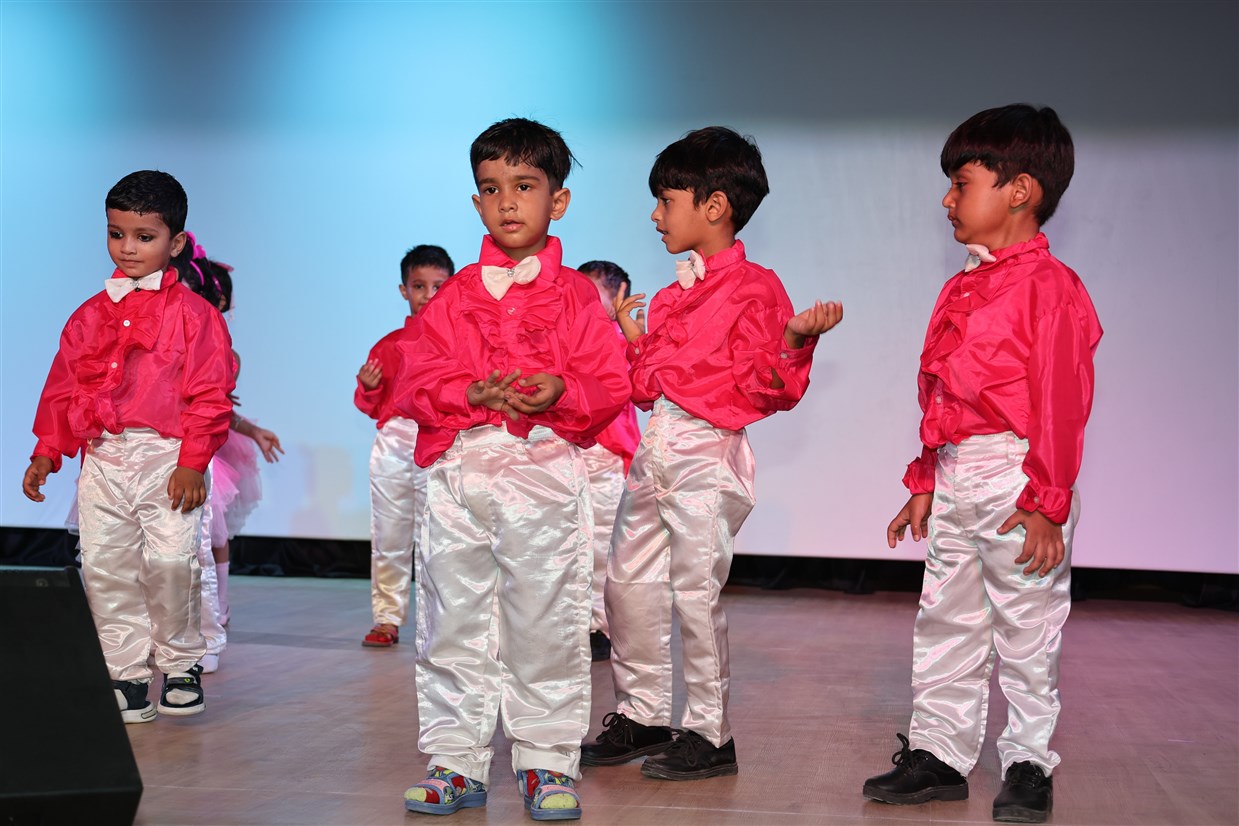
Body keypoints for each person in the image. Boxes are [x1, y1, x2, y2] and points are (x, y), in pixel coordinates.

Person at [860, 104, 1101, 825]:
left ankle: (1028, 762)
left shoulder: (1050, 287)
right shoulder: (961, 285)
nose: (946, 200)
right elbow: (938, 392)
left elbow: (1060, 400)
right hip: (958, 469)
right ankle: (938, 752)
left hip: (1017, 472)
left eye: (960, 183)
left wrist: (1046, 499)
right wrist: (925, 480)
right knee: (946, 619)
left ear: (1019, 190)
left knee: (1027, 625)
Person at [581, 126, 843, 780]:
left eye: (666, 201)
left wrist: (792, 342)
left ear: (714, 205)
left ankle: (709, 732)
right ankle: (642, 714)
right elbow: (648, 388)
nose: (655, 215)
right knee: (625, 582)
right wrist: (635, 342)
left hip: (706, 450)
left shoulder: (756, 287)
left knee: (694, 593)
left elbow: (769, 390)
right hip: (657, 447)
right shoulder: (672, 295)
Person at [393, 118, 629, 821]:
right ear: (476, 203)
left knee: (545, 619)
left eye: (524, 186)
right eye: (492, 189)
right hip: (461, 468)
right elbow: (415, 381)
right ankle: (456, 760)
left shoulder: (578, 296)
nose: (507, 203)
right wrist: (469, 392)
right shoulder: (455, 295)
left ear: (558, 200)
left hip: (543, 469)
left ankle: (546, 758)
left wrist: (562, 389)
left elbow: (609, 384)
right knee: (451, 619)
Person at [22, 170, 235, 721]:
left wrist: (193, 461)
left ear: (176, 242)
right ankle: (126, 674)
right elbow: (64, 386)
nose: (128, 247)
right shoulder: (89, 315)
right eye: (117, 234)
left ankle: (181, 664)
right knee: (105, 566)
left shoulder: (196, 316)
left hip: (167, 457)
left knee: (171, 563)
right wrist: (47, 450)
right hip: (104, 458)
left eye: (145, 236)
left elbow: (211, 393)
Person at [179, 239, 283, 673]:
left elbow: (219, 406)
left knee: (210, 535)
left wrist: (252, 430)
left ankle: (216, 612)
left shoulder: (220, 348)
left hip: (206, 448)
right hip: (166, 446)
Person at [354, 244, 453, 648]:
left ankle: (439, 621)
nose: (428, 294)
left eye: (438, 286)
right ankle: (387, 617)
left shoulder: (459, 342)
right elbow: (370, 405)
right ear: (404, 290)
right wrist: (368, 387)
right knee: (390, 533)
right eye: (419, 286)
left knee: (440, 536)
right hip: (395, 443)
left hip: (439, 440)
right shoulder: (389, 344)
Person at [575, 259, 642, 662]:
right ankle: (573, 622)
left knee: (602, 545)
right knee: (570, 542)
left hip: (605, 458)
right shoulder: (567, 339)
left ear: (617, 298)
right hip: (569, 453)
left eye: (591, 292)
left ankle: (599, 626)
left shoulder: (621, 342)